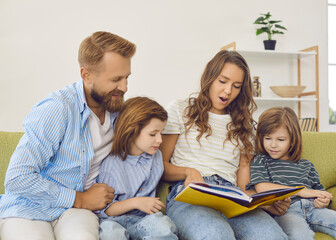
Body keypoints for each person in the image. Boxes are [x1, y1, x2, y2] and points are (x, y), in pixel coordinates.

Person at [0, 31, 136, 240]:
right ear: (86, 75)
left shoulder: (118, 110)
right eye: (116, 79)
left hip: (76, 214)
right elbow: (18, 178)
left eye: (127, 77)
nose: (125, 87)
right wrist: (80, 199)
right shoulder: (58, 109)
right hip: (29, 207)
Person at [159, 50, 289, 240]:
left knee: (273, 236)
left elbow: (243, 187)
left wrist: (266, 204)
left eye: (236, 86)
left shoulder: (243, 125)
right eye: (223, 81)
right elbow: (159, 165)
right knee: (217, 235)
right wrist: (188, 172)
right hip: (190, 195)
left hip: (232, 195)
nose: (228, 91)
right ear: (209, 78)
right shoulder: (180, 109)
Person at [247, 106, 336, 240]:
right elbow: (262, 188)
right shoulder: (261, 161)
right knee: (300, 236)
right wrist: (299, 191)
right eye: (268, 138)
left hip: (315, 209)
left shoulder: (306, 165)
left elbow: (319, 192)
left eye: (280, 140)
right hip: (287, 212)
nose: (273, 145)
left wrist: (323, 201)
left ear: (292, 140)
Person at [97, 96, 178, 240]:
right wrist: (136, 202)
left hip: (144, 220)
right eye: (153, 134)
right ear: (132, 131)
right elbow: (105, 210)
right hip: (115, 221)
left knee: (163, 227)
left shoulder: (156, 157)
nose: (160, 139)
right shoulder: (111, 164)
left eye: (161, 132)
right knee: (110, 233)